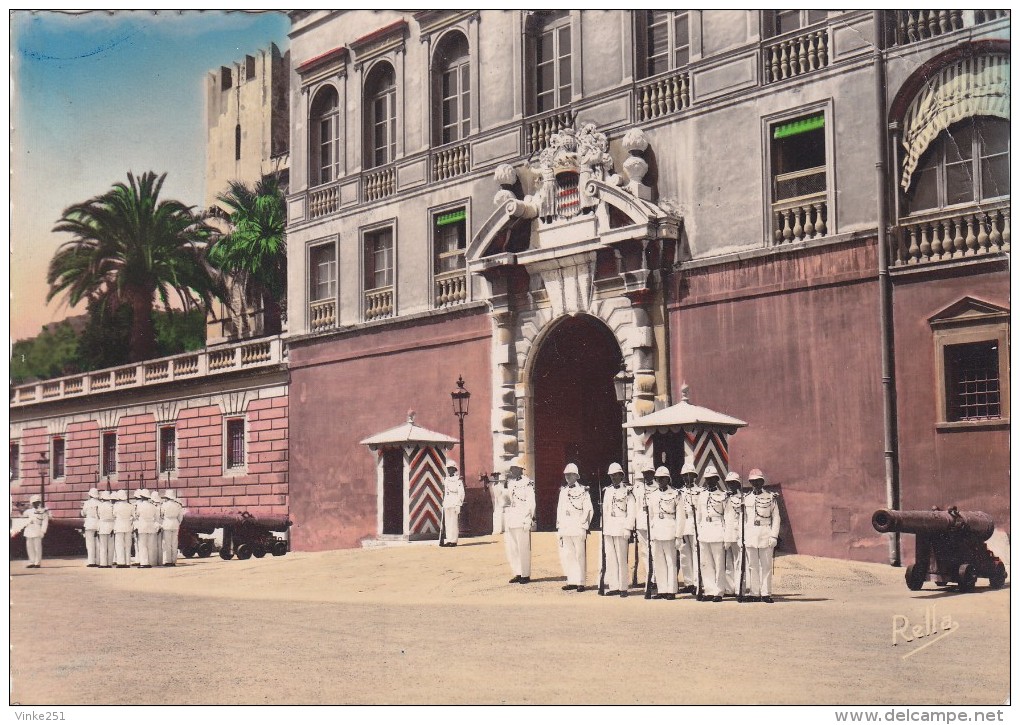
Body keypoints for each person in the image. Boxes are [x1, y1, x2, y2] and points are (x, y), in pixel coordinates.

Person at [744, 469, 780, 603]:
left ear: (762, 482)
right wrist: (742, 537)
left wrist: (774, 536)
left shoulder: (770, 498)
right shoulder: (746, 498)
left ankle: (766, 593)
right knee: (752, 566)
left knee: (766, 565)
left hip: (765, 533)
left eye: (758, 481)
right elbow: (744, 519)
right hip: (751, 534)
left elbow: (776, 518)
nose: (755, 484)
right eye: (753, 481)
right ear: (750, 482)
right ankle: (754, 593)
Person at [647, 467, 683, 600]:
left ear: (668, 479)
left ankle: (671, 590)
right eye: (657, 478)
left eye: (662, 478)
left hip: (669, 530)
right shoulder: (653, 495)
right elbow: (651, 516)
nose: (659, 481)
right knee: (658, 561)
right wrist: (651, 534)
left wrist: (679, 535)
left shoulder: (675, 494)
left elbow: (680, 517)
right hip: (657, 531)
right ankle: (662, 589)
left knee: (670, 561)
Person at [557, 463, 593, 592]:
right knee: (568, 555)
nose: (567, 476)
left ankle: (580, 582)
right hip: (566, 527)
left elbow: (588, 510)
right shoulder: (564, 491)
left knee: (579, 555)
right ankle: (571, 580)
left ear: (576, 476)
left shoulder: (583, 490)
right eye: (566, 474)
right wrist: (559, 527)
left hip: (578, 527)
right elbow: (560, 510)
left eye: (570, 474)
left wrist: (584, 526)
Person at [601, 462, 635, 597]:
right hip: (609, 528)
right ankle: (614, 586)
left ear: (621, 476)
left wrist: (628, 528)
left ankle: (623, 587)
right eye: (611, 475)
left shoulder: (627, 491)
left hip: (621, 528)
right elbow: (605, 511)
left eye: (616, 475)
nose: (614, 478)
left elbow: (631, 511)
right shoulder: (607, 491)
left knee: (621, 559)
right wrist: (604, 528)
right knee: (611, 558)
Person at [697, 465, 727, 602]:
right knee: (706, 563)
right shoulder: (702, 495)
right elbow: (699, 516)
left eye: (712, 479)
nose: (709, 481)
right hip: (704, 531)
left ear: (717, 479)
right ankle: (709, 590)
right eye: (707, 479)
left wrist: (727, 536)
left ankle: (719, 591)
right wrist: (698, 532)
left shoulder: (723, 495)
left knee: (719, 563)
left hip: (717, 530)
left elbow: (727, 517)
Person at [502, 457, 535, 584]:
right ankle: (517, 572)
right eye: (511, 468)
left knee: (523, 548)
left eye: (514, 468)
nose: (512, 470)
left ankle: (525, 574)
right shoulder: (511, 483)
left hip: (522, 518)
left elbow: (531, 503)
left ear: (520, 469)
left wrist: (528, 518)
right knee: (513, 548)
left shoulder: (527, 483)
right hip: (513, 518)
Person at [678, 462, 703, 597]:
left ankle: (697, 582)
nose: (687, 478)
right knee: (684, 555)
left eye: (690, 476)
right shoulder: (679, 492)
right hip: (683, 524)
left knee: (695, 553)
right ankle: (688, 583)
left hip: (695, 524)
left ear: (694, 477)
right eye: (684, 476)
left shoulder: (700, 492)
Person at [632, 458, 657, 589]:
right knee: (645, 551)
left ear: (653, 474)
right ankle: (650, 577)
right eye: (645, 473)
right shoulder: (637, 488)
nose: (647, 475)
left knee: (655, 551)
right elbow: (635, 506)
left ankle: (657, 578)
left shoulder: (658, 488)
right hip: (641, 523)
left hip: (654, 524)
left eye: (650, 473)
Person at [722, 471, 745, 598]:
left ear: (738, 484)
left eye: (733, 483)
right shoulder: (725, 497)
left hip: (738, 533)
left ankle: (739, 589)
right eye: (728, 483)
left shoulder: (743, 498)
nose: (730, 486)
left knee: (739, 562)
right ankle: (729, 588)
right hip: (726, 533)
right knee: (727, 563)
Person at [441, 461, 465, 547]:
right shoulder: (446, 479)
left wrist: (459, 504)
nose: (449, 470)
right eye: (448, 469)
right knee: (447, 522)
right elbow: (445, 492)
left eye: (450, 469)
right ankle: (449, 540)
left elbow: (461, 493)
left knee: (453, 522)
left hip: (455, 502)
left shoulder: (458, 480)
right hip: (447, 502)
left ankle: (454, 541)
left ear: (454, 469)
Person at [22, 494, 50, 568]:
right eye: (34, 502)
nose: (36, 504)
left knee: (37, 547)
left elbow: (45, 522)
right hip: (29, 530)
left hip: (37, 530)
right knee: (29, 547)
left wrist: (43, 531)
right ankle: (31, 561)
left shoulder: (43, 511)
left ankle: (37, 562)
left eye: (37, 502)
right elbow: (23, 516)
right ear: (31, 503)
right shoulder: (28, 511)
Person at [133, 489, 159, 568]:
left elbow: (136, 516)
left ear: (142, 497)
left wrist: (136, 527)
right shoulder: (153, 506)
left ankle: (144, 563)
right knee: (150, 545)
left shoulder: (139, 506)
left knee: (143, 545)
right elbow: (156, 517)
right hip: (151, 525)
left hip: (142, 525)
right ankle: (151, 561)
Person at [160, 490, 185, 566]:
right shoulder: (178, 505)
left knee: (167, 543)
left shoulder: (164, 505)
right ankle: (174, 560)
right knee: (174, 543)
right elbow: (181, 517)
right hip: (175, 523)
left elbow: (161, 515)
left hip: (167, 523)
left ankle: (167, 561)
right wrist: (178, 523)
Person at [112, 490, 134, 568]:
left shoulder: (116, 506)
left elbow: (113, 515)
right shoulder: (130, 505)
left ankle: (121, 562)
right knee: (128, 545)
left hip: (119, 525)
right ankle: (128, 562)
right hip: (128, 525)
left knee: (119, 545)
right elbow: (133, 516)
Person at [80, 487, 101, 567]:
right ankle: (98, 561)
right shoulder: (100, 503)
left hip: (89, 523)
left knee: (90, 544)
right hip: (98, 523)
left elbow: (83, 513)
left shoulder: (87, 503)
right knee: (98, 543)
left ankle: (91, 561)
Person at [96, 490, 116, 568]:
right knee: (111, 546)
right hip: (111, 525)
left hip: (102, 525)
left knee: (103, 546)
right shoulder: (112, 506)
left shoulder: (99, 506)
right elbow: (114, 516)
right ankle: (109, 563)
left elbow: (98, 516)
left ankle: (103, 563)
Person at [486, 469, 507, 535]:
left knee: (500, 514)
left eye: (497, 476)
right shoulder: (492, 485)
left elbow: (503, 493)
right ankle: (496, 529)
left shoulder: (500, 485)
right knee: (495, 515)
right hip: (495, 501)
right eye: (495, 476)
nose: (496, 477)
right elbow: (492, 493)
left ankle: (500, 529)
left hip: (500, 501)